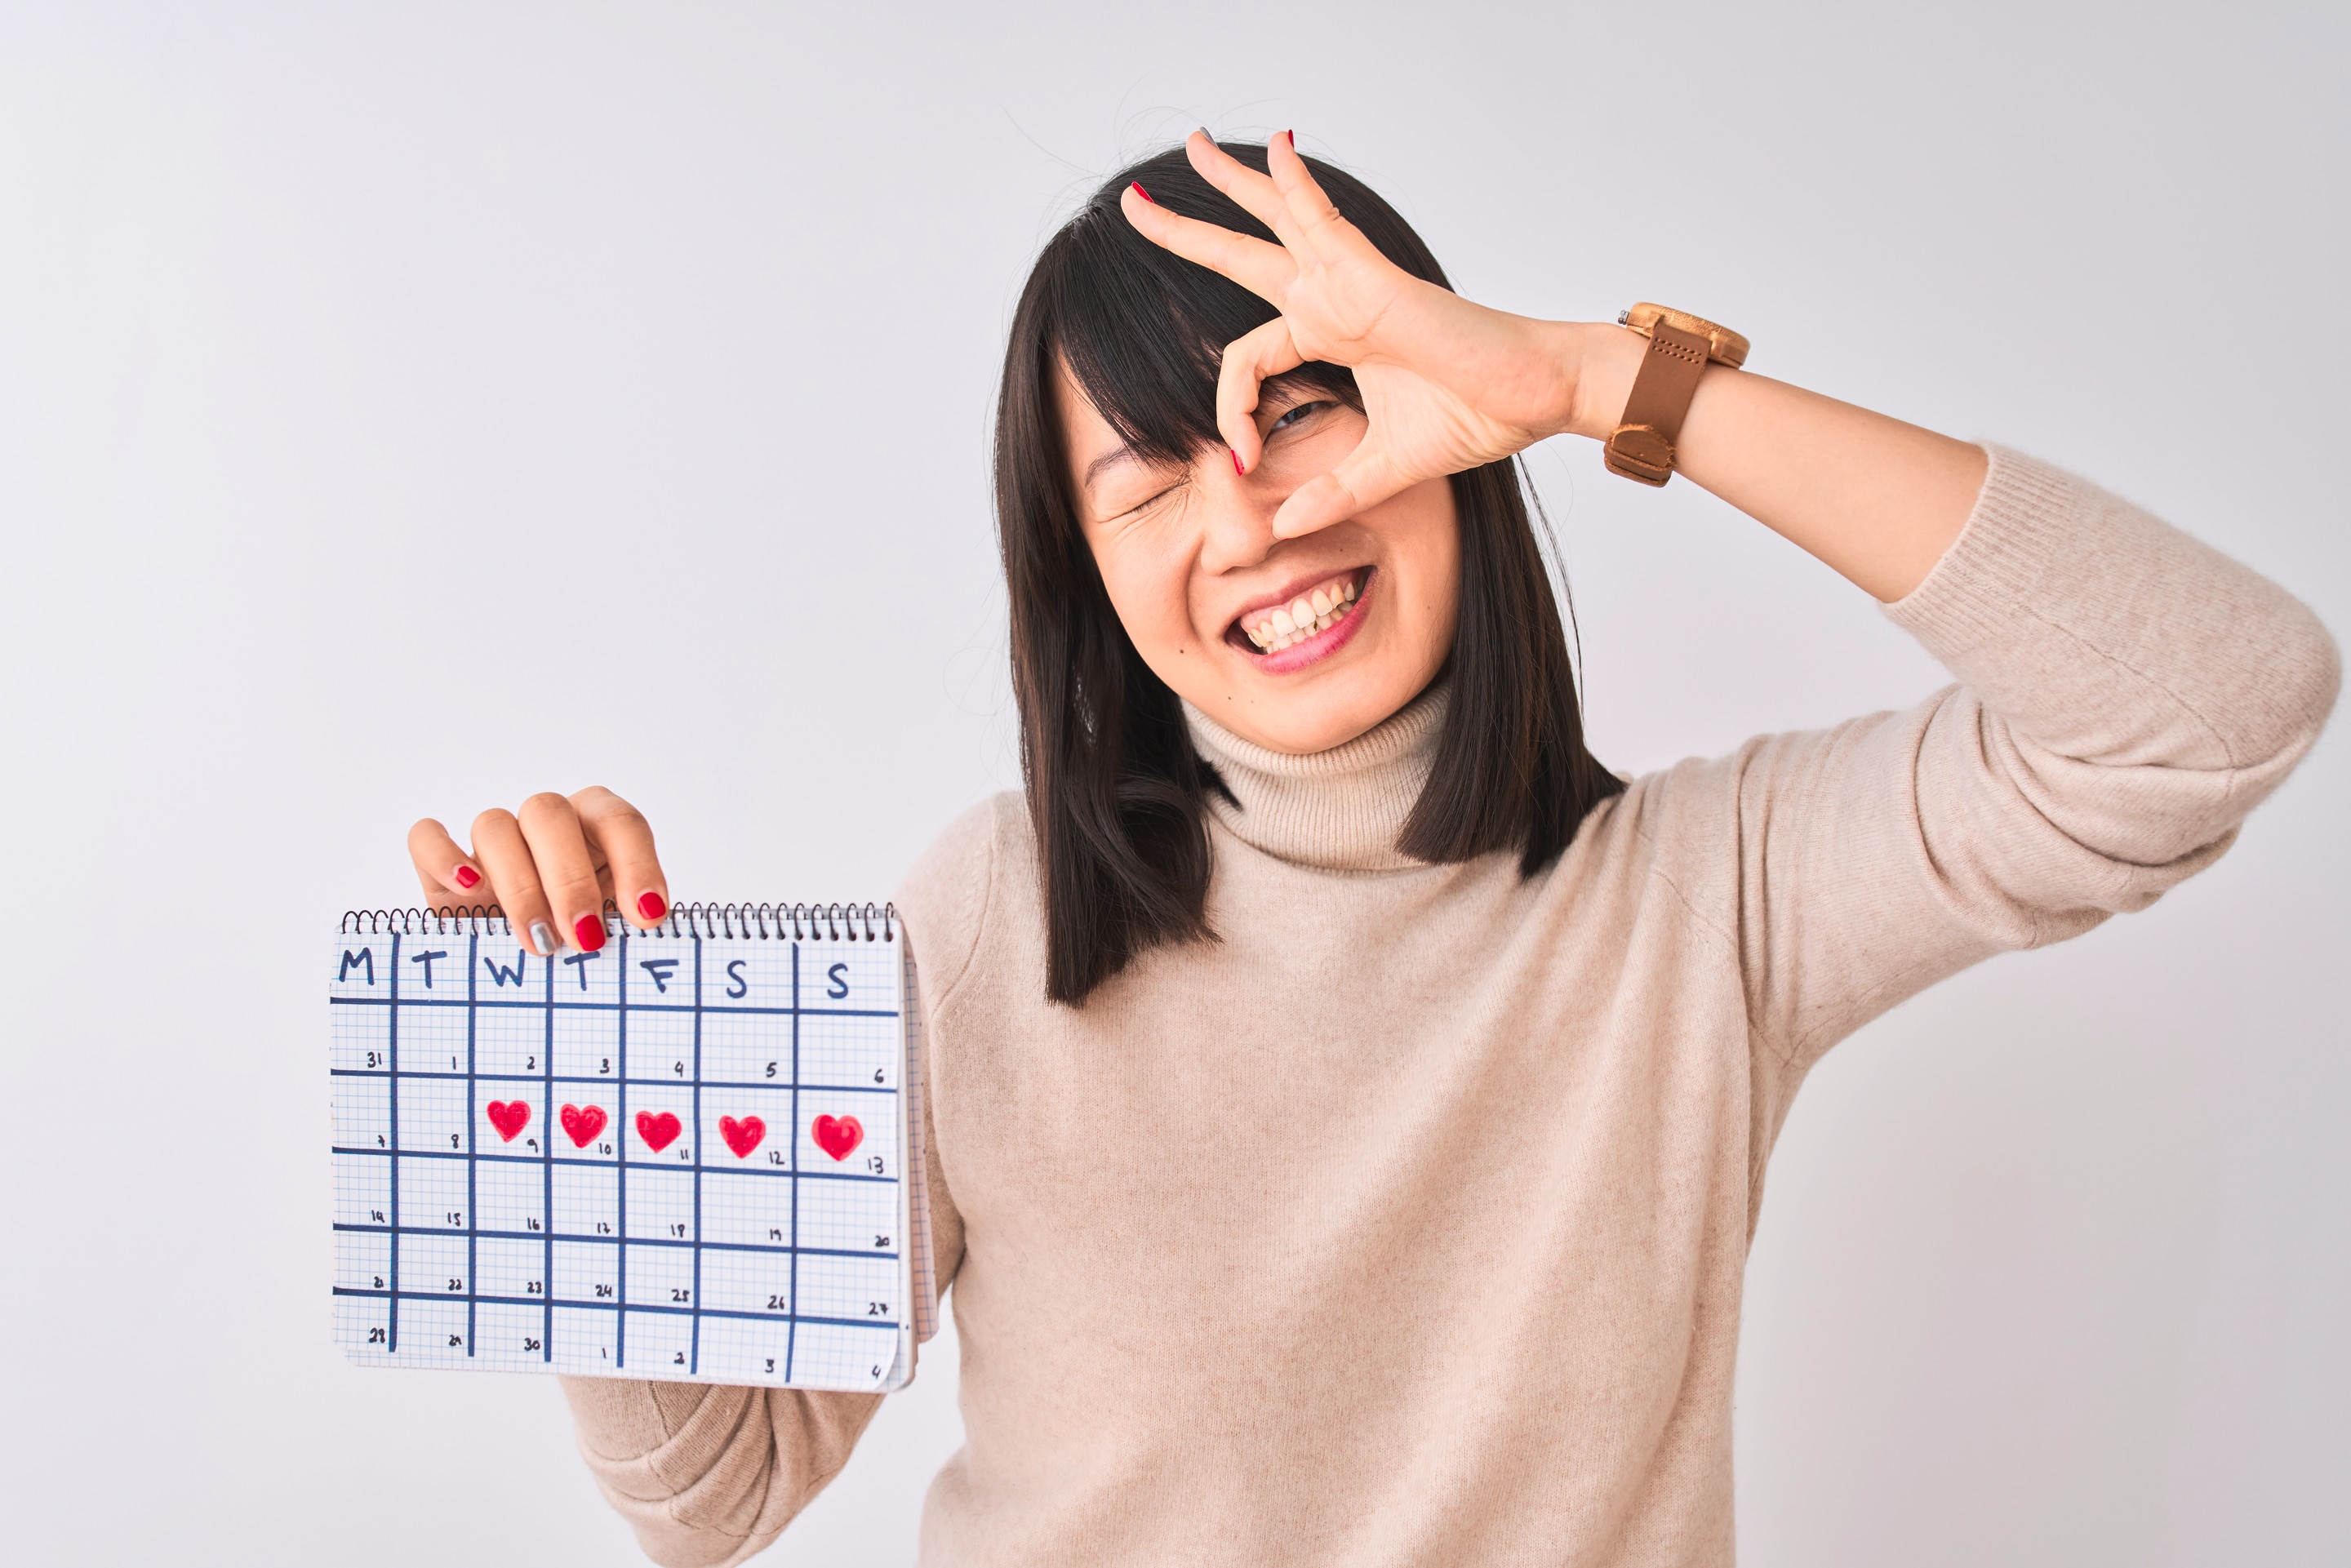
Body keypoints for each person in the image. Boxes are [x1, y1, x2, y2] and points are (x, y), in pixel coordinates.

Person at [403, 135, 2338, 1566]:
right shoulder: (992, 918)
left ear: (1452, 438)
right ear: (1090, 582)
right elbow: (717, 1492)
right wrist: (601, 1069)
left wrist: (1594, 384)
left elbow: (2215, 702)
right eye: (1151, 478)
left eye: (1304, 411)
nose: (1249, 512)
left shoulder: (1702, 902)